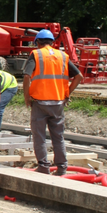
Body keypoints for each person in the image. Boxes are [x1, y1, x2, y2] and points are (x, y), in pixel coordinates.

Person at [23, 29, 83, 175]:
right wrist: (67, 94)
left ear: (37, 42)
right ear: (53, 42)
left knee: (39, 136)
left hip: (40, 102)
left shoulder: (36, 54)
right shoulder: (62, 56)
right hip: (58, 103)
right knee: (58, 136)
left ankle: (43, 166)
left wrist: (27, 97)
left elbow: (26, 76)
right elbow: (79, 76)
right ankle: (62, 167)